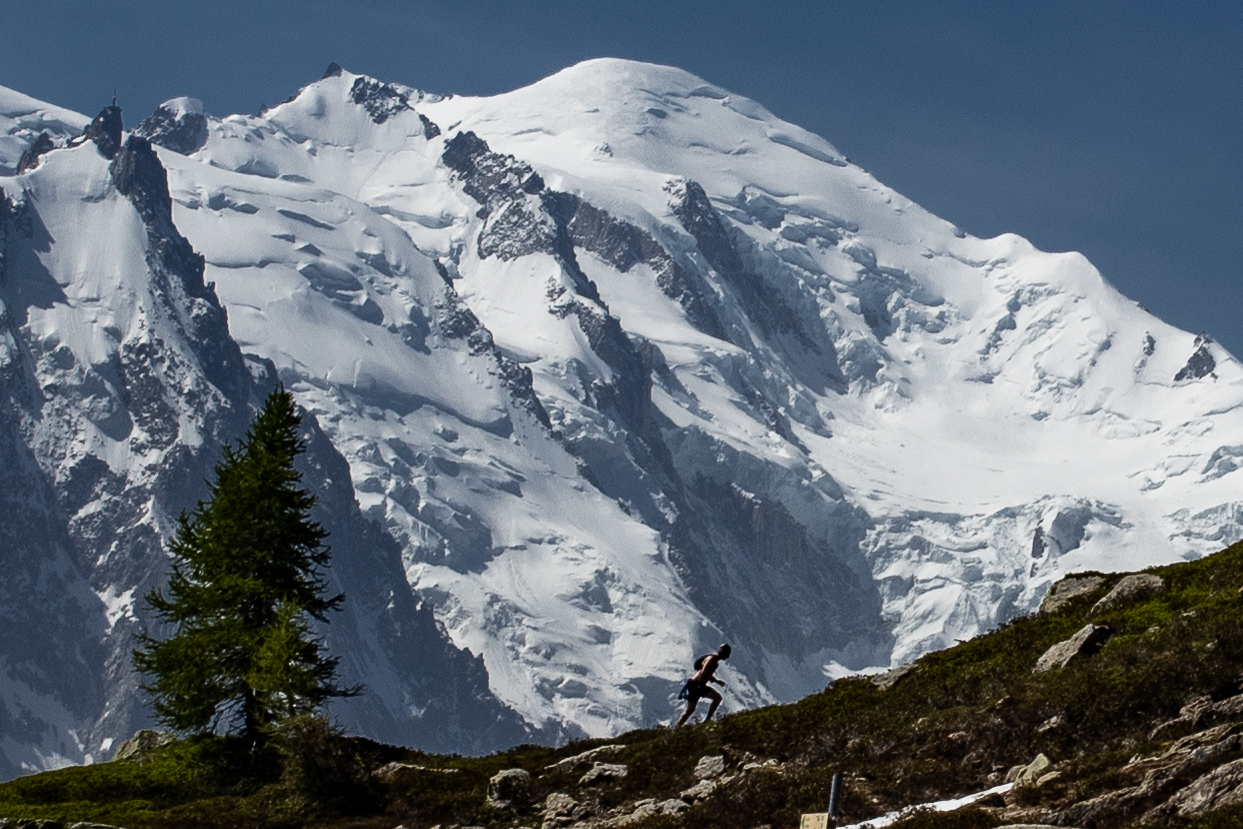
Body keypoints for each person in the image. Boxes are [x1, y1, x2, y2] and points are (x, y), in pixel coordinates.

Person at [675, 643, 731, 727]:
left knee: (691, 709)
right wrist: (716, 681)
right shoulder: (711, 659)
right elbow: (704, 672)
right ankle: (707, 720)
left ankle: (678, 726)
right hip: (696, 684)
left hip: (696, 684)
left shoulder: (714, 661)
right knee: (717, 698)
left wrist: (712, 679)